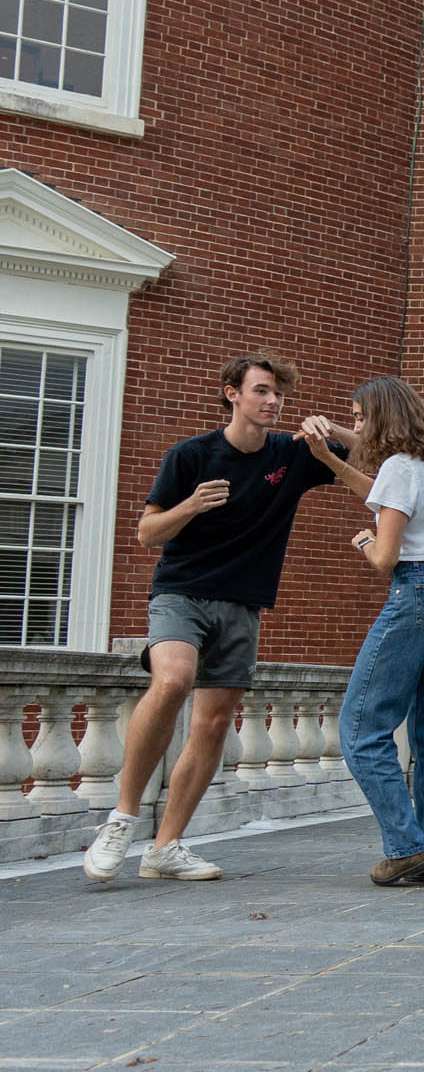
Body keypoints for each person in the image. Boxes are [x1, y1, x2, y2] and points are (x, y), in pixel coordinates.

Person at [83, 357, 354, 883]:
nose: (273, 402)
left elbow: (379, 457)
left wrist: (333, 430)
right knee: (173, 679)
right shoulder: (191, 455)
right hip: (181, 592)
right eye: (262, 391)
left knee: (212, 721)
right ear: (233, 394)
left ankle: (166, 848)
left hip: (242, 602)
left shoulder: (291, 455)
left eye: (279, 395)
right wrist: (190, 507)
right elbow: (147, 534)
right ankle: (122, 817)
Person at [304, 379, 424, 887]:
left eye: (359, 417)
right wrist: (332, 443)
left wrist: (362, 538)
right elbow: (382, 488)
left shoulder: (401, 469)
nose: (354, 426)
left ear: (380, 419)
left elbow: (385, 556)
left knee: (361, 730)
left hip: (420, 590)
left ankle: (405, 847)